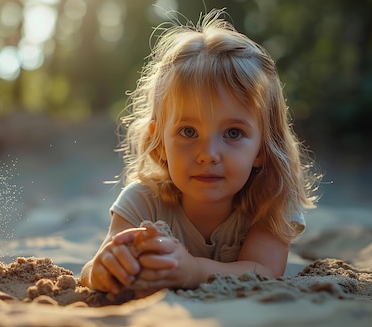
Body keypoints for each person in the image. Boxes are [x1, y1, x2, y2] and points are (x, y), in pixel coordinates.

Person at [80, 9, 319, 297]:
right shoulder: (142, 202)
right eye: (188, 132)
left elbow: (264, 271)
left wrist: (191, 270)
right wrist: (106, 268)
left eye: (233, 133)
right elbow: (92, 269)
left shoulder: (272, 201)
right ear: (159, 141)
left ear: (262, 148)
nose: (208, 154)